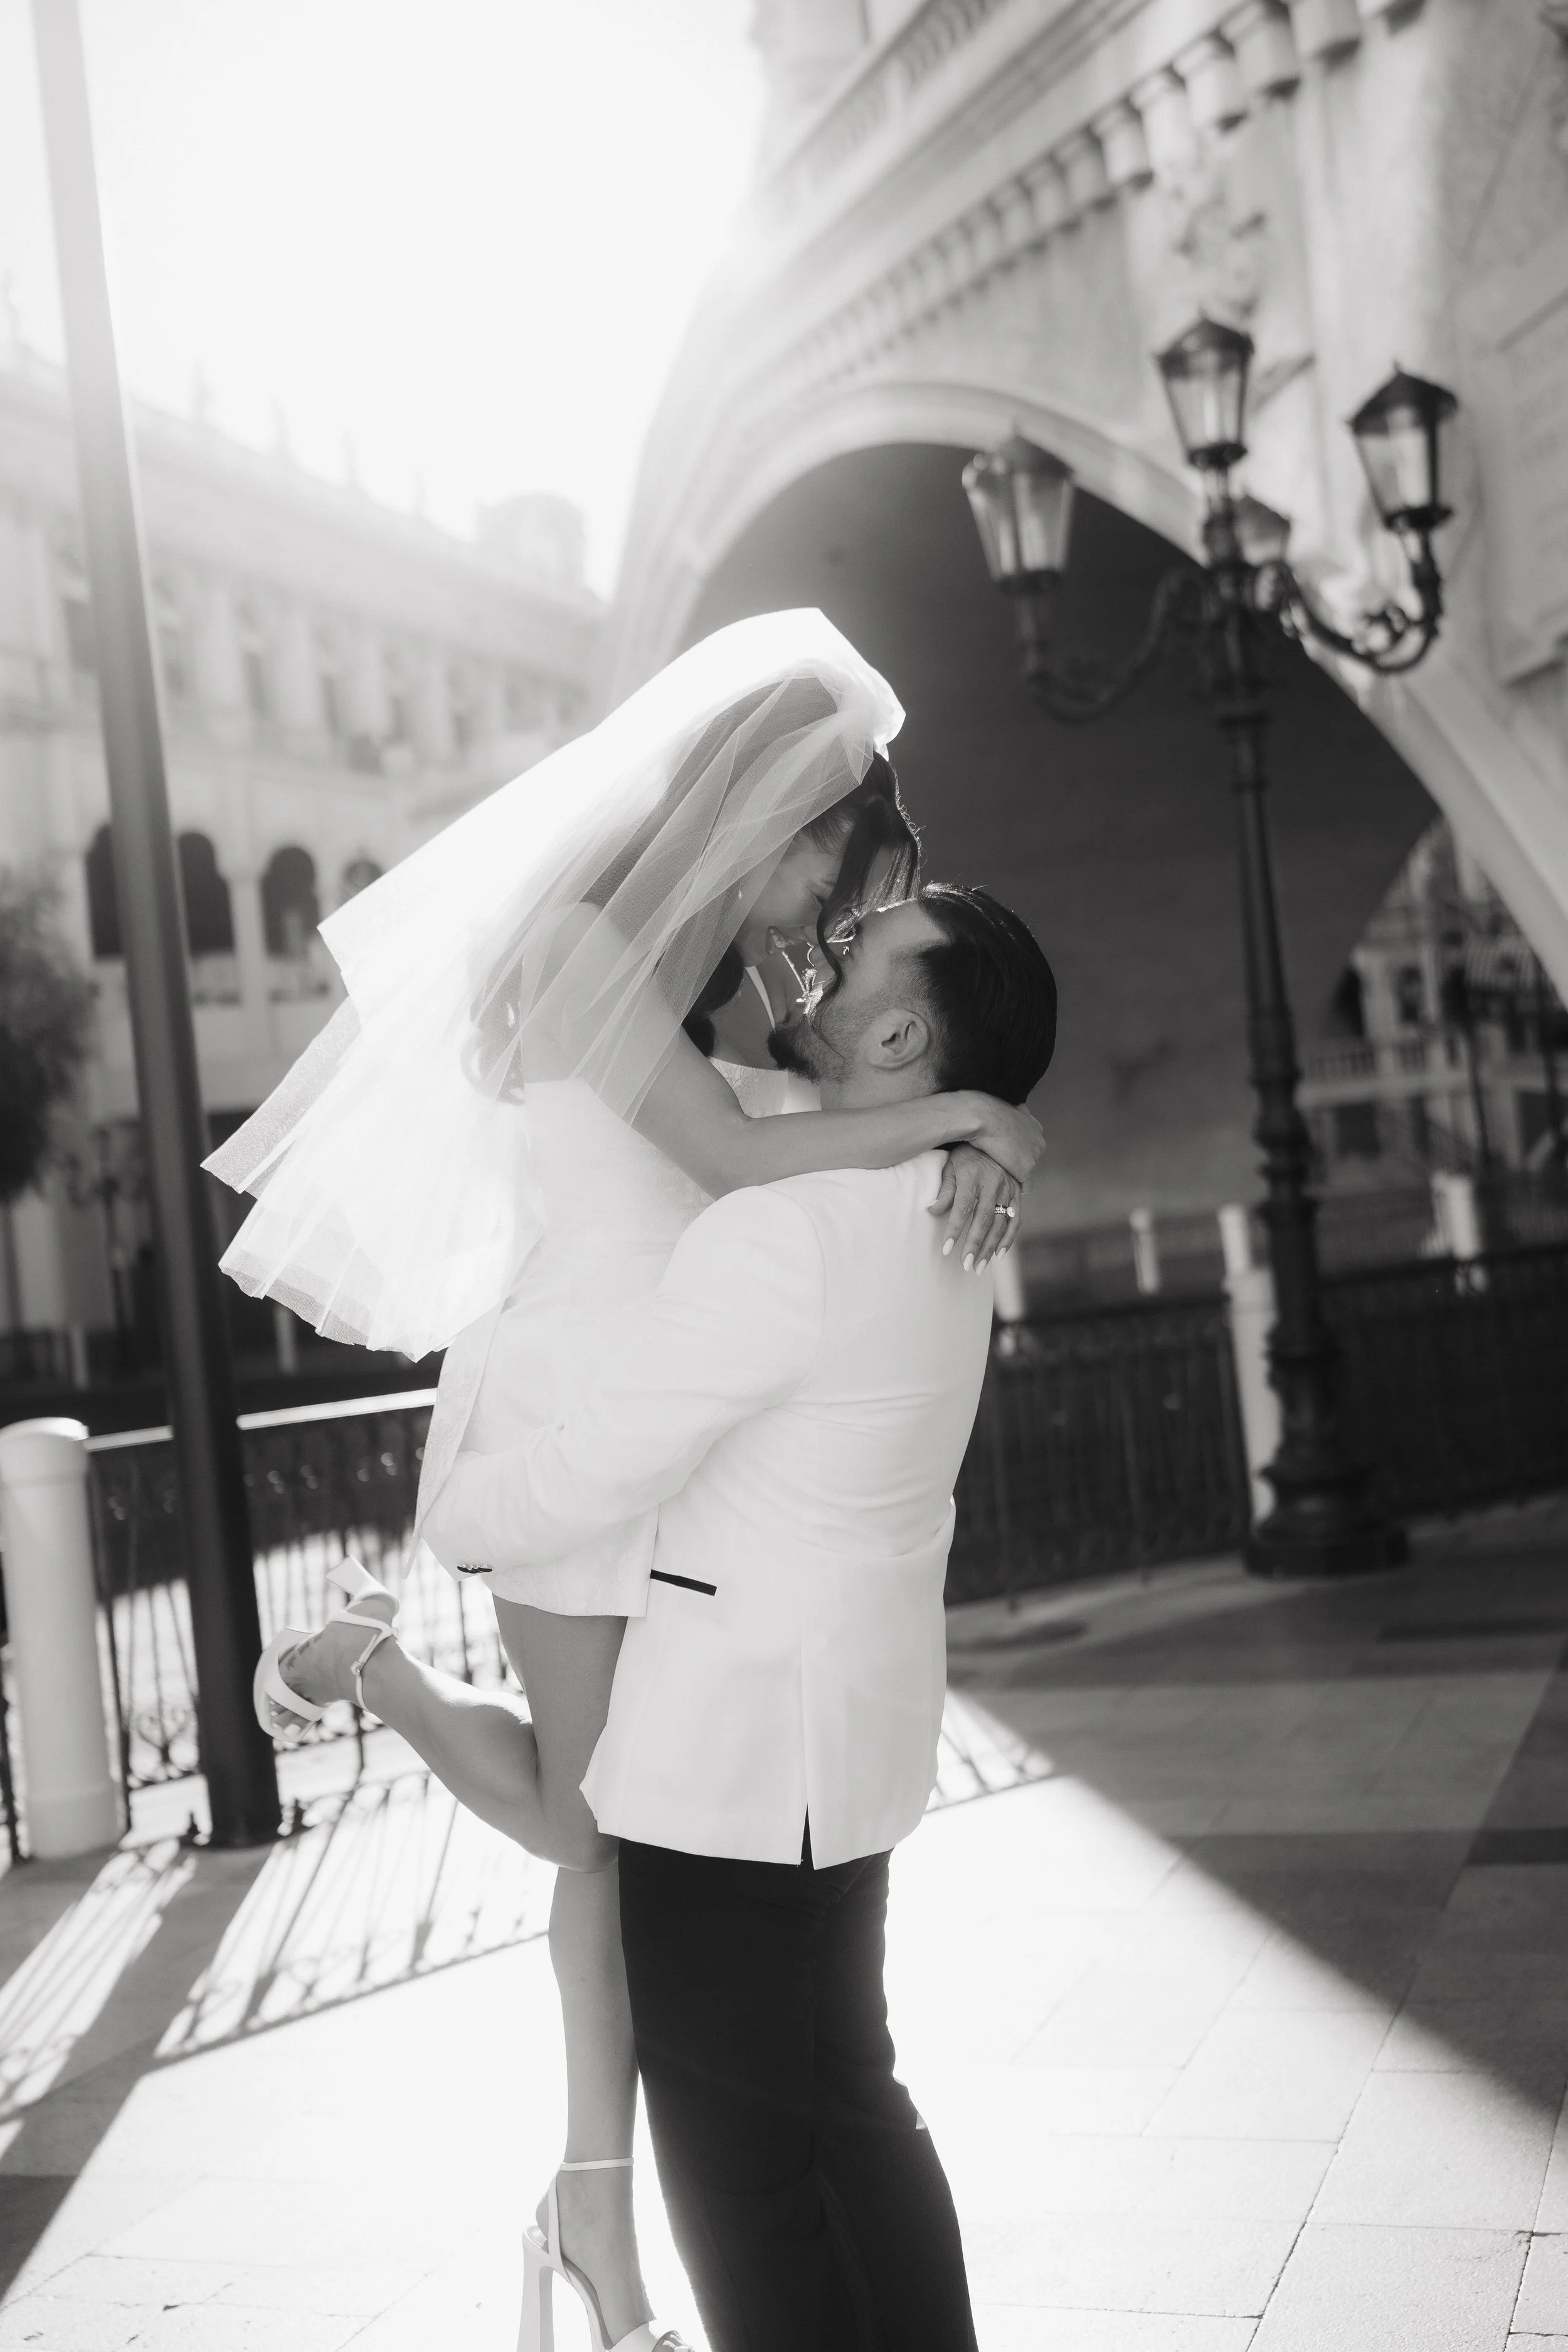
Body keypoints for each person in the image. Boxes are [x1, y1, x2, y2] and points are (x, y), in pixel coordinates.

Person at [205, 612, 1043, 2351]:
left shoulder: (709, 988)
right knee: (588, 1834)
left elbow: (806, 1127)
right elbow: (738, 1153)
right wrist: (972, 1119)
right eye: (826, 874)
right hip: (570, 1409)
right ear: (764, 813)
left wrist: (965, 1122)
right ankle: (378, 1672)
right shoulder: (579, 939)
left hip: (668, 1428)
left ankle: (595, 2213)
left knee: (609, 1845)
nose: (819, 923)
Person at [422, 882, 1059, 2351]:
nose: (820, 959)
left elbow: (600, 1466)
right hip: (852, 1754)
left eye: (858, 957)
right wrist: (986, 1125)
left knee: (744, 2193)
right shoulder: (947, 1209)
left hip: (726, 1777)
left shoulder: (782, 1231)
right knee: (858, 2114)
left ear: (897, 1035)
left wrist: (455, 1514)